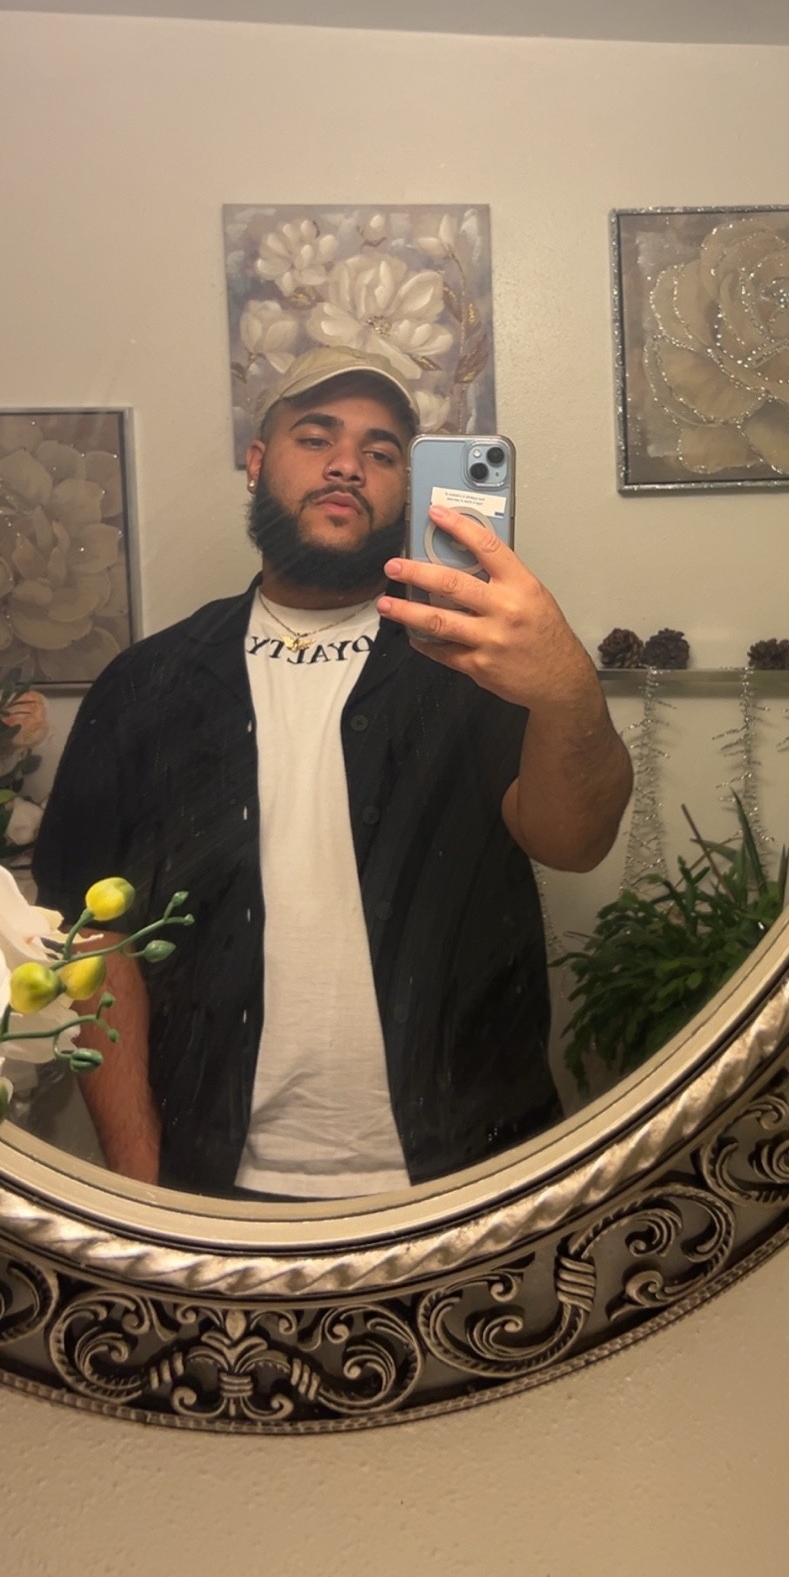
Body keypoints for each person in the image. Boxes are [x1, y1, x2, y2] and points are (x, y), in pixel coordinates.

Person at [32, 348, 632, 1199]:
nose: (348, 464)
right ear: (256, 463)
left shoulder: (475, 664)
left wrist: (569, 688)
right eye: (316, 438)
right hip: (215, 1188)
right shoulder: (146, 686)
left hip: (476, 1170)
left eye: (381, 452)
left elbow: (575, 842)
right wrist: (143, 1185)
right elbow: (95, 939)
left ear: (408, 489)